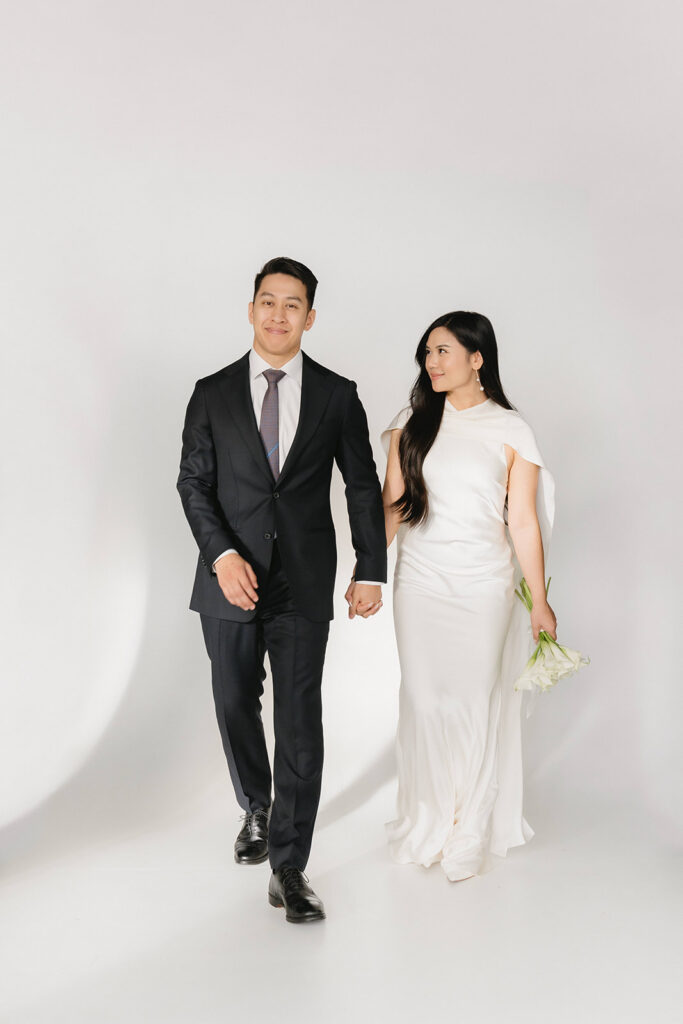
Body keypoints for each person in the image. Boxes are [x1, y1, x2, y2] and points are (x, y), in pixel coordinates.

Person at [177, 257, 386, 922]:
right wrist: (220, 556)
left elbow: (359, 484)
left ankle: (289, 866)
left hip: (302, 577)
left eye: (291, 305)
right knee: (233, 698)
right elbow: (194, 484)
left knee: (299, 719)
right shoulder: (210, 392)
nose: (277, 314)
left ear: (309, 317)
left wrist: (369, 565)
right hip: (228, 581)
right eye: (267, 301)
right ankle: (257, 806)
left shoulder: (335, 394)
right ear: (251, 310)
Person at [377, 311, 555, 881]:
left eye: (444, 351)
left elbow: (522, 522)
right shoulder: (411, 425)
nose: (431, 362)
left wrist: (541, 603)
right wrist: (367, 574)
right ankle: (431, 817)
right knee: (426, 700)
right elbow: (392, 509)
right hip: (421, 581)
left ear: (477, 359)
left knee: (476, 701)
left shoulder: (511, 430)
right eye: (426, 353)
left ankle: (471, 827)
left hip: (484, 584)